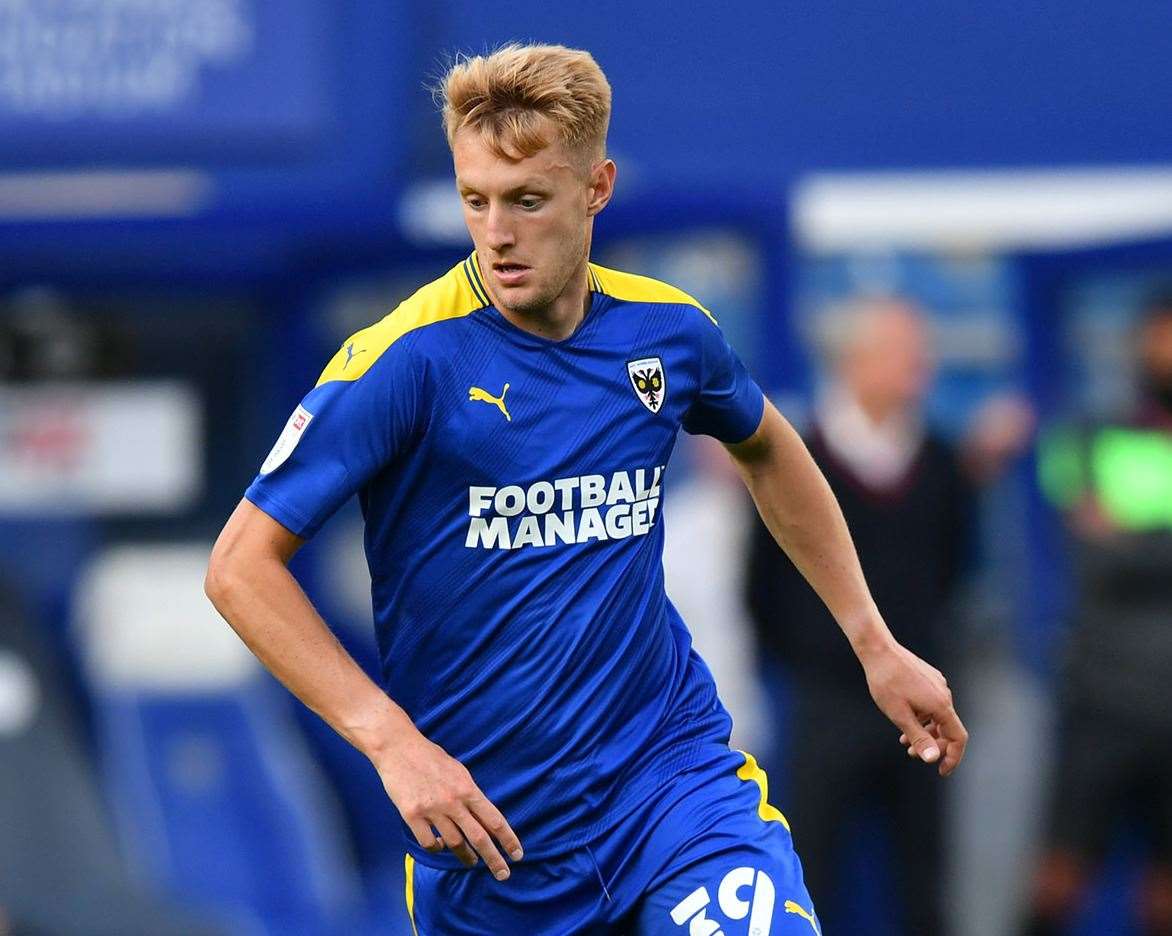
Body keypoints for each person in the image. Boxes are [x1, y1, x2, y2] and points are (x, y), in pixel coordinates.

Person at [205, 43, 967, 934]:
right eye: (475, 201)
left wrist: (873, 643)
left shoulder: (668, 334)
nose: (497, 233)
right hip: (495, 845)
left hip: (671, 791)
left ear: (596, 188)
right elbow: (239, 568)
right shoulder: (403, 362)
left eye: (527, 201)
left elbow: (769, 448)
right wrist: (390, 740)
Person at [746, 299, 1030, 935]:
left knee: (923, 878)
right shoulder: (798, 459)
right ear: (857, 360)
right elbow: (761, 588)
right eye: (906, 355)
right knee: (810, 872)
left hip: (922, 709)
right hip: (826, 704)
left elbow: (955, 571)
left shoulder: (941, 464)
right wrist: (816, 664)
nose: (921, 370)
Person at [1022, 293, 1172, 936]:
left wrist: (1130, 538)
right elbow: (1096, 558)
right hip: (1100, 704)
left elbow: (1119, 552)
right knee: (1058, 883)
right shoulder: (1085, 441)